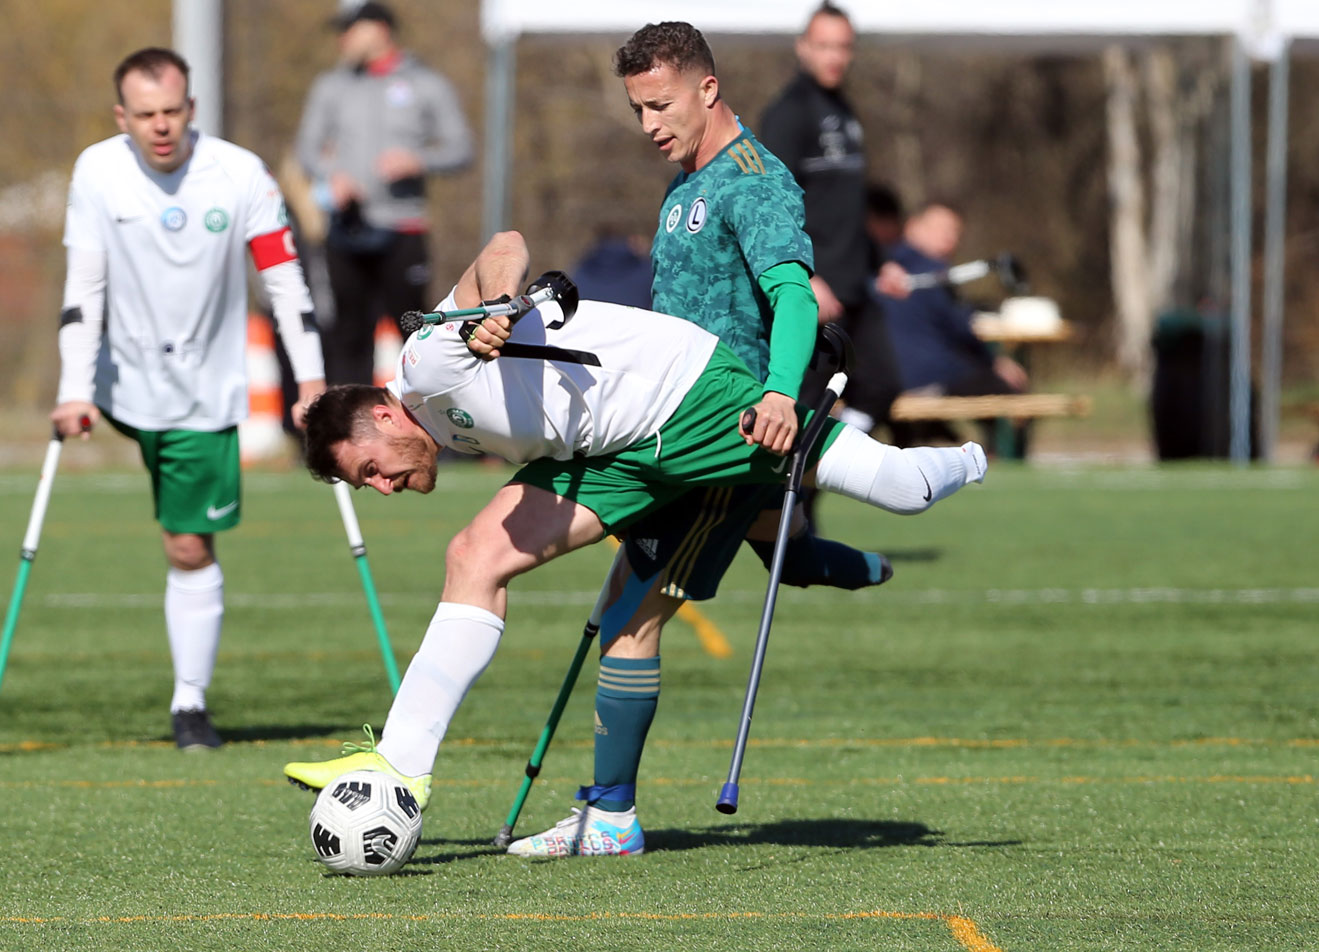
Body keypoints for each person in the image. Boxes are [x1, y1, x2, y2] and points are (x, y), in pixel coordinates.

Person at [280, 231, 987, 831]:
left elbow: (504, 245)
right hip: (607, 454)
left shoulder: (426, 362)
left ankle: (970, 459)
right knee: (472, 554)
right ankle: (402, 768)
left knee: (903, 487)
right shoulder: (428, 417)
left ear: (383, 415)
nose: (380, 487)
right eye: (364, 484)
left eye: (370, 469)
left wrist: (496, 308)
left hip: (687, 399)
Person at [491, 21, 899, 857]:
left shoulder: (755, 182)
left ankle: (611, 819)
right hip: (664, 428)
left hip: (726, 441)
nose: (649, 125)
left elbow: (795, 299)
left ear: (708, 88)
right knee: (620, 610)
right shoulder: (684, 184)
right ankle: (812, 558)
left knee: (632, 618)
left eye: (661, 104)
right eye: (637, 108)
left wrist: (783, 391)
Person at [51, 48, 326, 751]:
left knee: (186, 543)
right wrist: (74, 391)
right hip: (119, 383)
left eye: (172, 111)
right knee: (181, 536)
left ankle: (189, 703)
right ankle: (189, 700)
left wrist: (311, 382)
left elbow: (287, 284)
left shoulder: (240, 175)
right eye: (145, 115)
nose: (161, 126)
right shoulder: (97, 170)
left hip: (203, 391)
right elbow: (83, 288)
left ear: (191, 108)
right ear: (123, 117)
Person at [294, 0, 473, 386]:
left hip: (403, 228)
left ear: (379, 30)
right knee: (348, 335)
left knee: (417, 330)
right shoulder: (332, 86)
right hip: (345, 230)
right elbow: (306, 150)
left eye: (350, 30)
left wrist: (418, 160)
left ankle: (428, 431)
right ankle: (347, 437)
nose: (342, 39)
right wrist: (333, 176)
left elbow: (461, 149)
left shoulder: (427, 83)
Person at [760, 0, 902, 439]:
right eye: (824, 45)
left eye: (843, 46)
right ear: (803, 48)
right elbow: (773, 205)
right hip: (816, 295)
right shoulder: (787, 113)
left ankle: (830, 458)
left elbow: (849, 205)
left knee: (882, 384)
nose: (834, 56)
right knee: (802, 409)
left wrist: (882, 263)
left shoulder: (846, 111)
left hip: (857, 287)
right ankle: (797, 501)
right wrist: (807, 278)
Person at [876, 203, 1029, 447]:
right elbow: (962, 330)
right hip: (927, 377)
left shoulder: (878, 264)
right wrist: (994, 363)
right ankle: (1002, 452)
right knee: (1009, 386)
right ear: (913, 227)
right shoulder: (935, 273)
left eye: (954, 231)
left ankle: (934, 434)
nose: (949, 237)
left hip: (883, 377)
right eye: (940, 229)